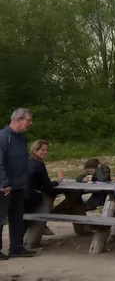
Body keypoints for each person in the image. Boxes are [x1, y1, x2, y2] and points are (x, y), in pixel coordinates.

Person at [0, 108, 36, 259]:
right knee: (0, 218)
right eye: (28, 120)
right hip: (5, 187)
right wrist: (4, 183)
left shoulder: (21, 137)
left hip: (20, 185)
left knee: (17, 218)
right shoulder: (2, 137)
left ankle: (16, 247)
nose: (30, 123)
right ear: (19, 119)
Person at [24, 140, 63, 237]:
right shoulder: (38, 164)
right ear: (35, 150)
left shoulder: (28, 161)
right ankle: (41, 227)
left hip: (21, 194)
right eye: (42, 150)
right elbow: (47, 185)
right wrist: (58, 181)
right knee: (48, 196)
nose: (45, 152)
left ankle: (42, 227)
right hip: (31, 197)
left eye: (46, 150)